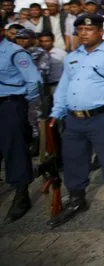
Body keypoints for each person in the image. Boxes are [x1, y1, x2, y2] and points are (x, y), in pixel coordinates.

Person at [49, 14, 104, 233]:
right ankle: (77, 199)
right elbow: (64, 86)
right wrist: (56, 112)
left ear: (101, 32)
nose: (83, 33)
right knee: (73, 160)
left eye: (89, 29)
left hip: (101, 117)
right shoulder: (72, 57)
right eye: (80, 30)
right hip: (73, 119)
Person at [0, 18, 42, 222]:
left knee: (14, 149)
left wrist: (28, 106)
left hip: (10, 104)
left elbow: (34, 81)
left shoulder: (15, 52)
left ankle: (21, 194)